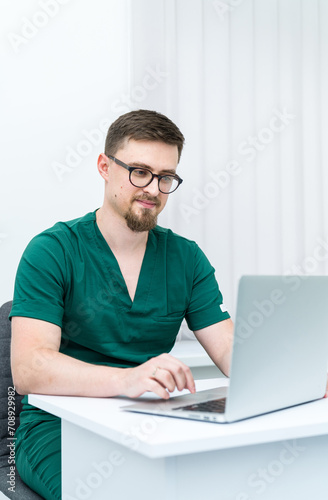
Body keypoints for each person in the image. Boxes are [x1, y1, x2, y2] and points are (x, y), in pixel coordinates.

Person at [10, 109, 234, 500]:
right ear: (104, 166)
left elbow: (230, 347)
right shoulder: (52, 251)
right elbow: (29, 369)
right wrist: (125, 380)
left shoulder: (186, 258)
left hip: (150, 421)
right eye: (139, 171)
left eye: (166, 177)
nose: (152, 188)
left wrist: (298, 375)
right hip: (59, 426)